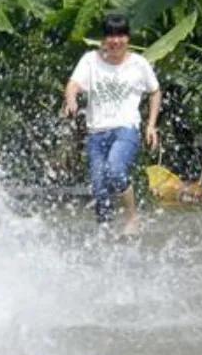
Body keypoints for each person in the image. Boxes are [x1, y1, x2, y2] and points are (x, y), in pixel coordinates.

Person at [62, 13, 161, 234]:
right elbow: (73, 85)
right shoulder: (90, 60)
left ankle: (132, 218)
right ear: (104, 39)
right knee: (99, 189)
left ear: (128, 38)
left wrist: (151, 125)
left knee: (116, 170)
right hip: (97, 132)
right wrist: (71, 101)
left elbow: (155, 91)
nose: (116, 41)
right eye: (111, 35)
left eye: (121, 35)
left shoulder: (139, 64)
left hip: (126, 129)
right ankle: (104, 235)